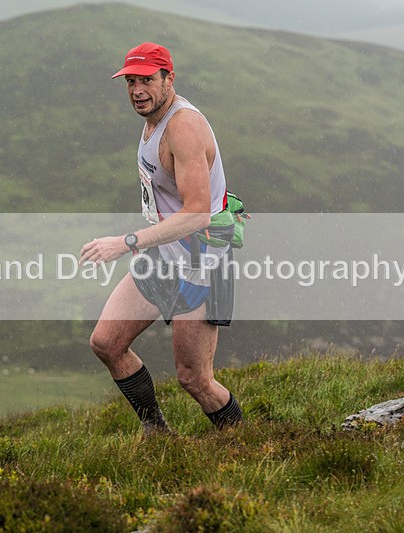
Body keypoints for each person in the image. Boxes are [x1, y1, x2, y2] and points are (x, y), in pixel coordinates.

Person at [79, 42, 243, 434]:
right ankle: (158, 434)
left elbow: (198, 211)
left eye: (147, 80)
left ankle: (243, 443)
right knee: (107, 343)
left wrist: (127, 242)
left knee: (194, 379)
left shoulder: (183, 127)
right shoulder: (153, 117)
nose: (137, 90)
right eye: (131, 81)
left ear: (169, 78)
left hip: (201, 259)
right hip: (164, 253)